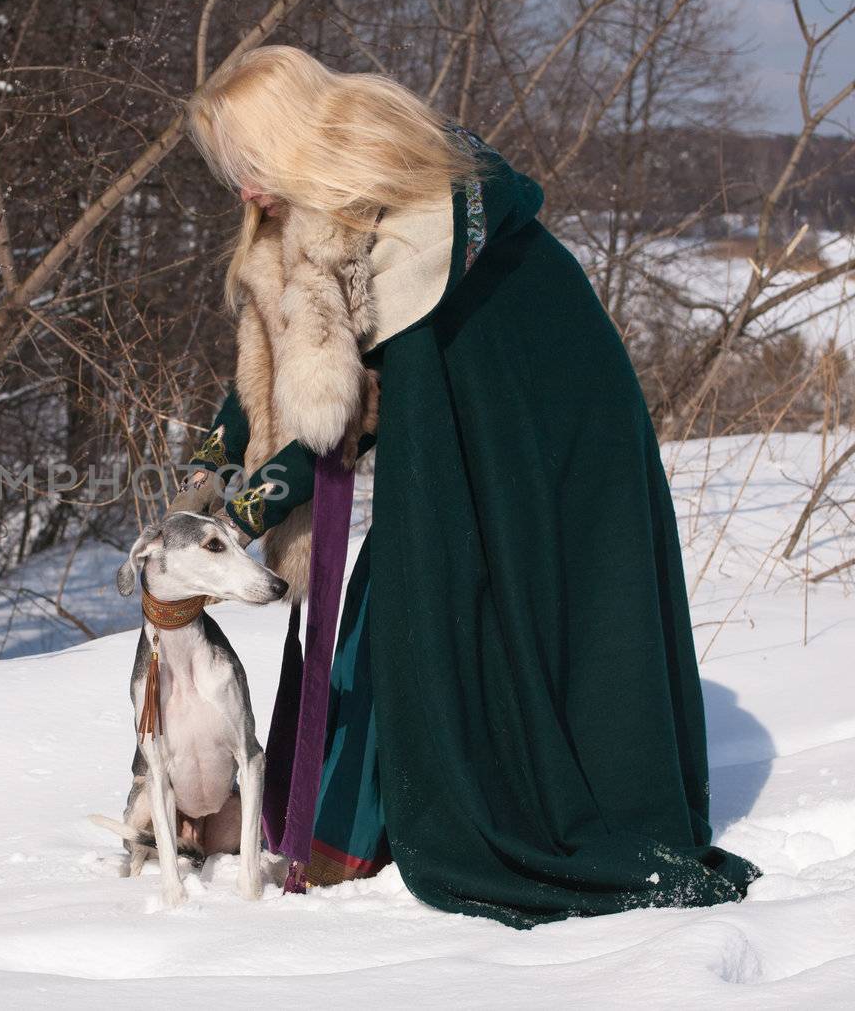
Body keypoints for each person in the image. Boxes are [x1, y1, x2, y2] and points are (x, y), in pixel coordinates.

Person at [165, 45, 759, 928]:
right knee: (405, 600)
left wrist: (271, 484)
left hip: (544, 410)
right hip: (457, 419)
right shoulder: (303, 216)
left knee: (470, 596)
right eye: (234, 172)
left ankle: (454, 812)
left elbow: (354, 392)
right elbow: (292, 359)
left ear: (291, 141)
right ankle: (341, 828)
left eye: (250, 164)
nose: (245, 190)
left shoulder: (414, 203)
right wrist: (220, 460)